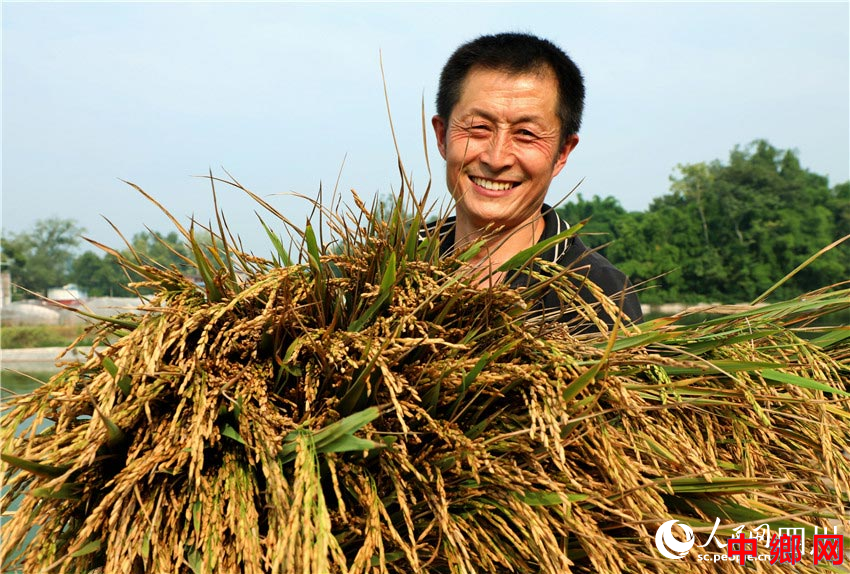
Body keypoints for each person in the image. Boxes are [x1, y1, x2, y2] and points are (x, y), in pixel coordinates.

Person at [429, 32, 642, 331]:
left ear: (562, 153)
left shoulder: (596, 294)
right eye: (479, 127)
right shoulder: (392, 267)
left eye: (526, 134)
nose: (497, 158)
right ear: (442, 136)